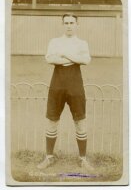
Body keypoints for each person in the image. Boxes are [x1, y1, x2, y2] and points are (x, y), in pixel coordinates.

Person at [37, 12, 93, 171]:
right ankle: (49, 157)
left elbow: (86, 60)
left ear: (77, 25)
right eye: (66, 23)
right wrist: (74, 58)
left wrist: (64, 54)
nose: (69, 25)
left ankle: (83, 159)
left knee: (80, 121)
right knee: (52, 120)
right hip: (57, 84)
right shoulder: (54, 41)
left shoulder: (82, 43)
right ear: (63, 24)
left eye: (72, 23)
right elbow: (49, 58)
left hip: (75, 85)